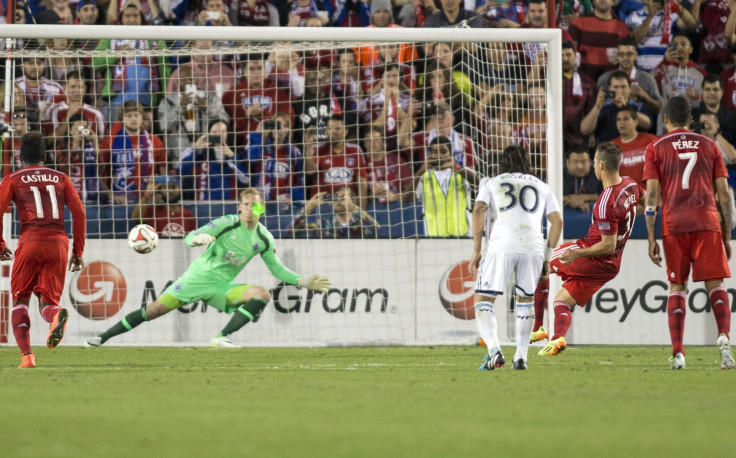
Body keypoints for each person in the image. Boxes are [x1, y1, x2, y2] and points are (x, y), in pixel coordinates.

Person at [85, 188, 330, 348]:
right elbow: (191, 236)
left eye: (256, 206)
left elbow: (277, 269)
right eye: (246, 204)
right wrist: (198, 240)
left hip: (221, 288)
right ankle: (101, 338)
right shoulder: (226, 223)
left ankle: (221, 338)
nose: (251, 209)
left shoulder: (264, 238)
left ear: (261, 209)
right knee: (154, 310)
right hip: (196, 279)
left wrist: (304, 282)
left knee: (262, 294)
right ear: (240, 207)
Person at [643, 96, 735, 370]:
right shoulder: (709, 145)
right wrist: (727, 233)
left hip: (674, 225)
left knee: (677, 286)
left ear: (667, 119)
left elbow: (651, 197)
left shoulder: (655, 147)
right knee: (715, 285)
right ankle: (724, 341)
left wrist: (650, 237)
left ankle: (679, 352)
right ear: (691, 121)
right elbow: (725, 196)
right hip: (707, 222)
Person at [538, 142, 642, 357]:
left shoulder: (606, 201)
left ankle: (537, 327)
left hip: (592, 255)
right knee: (562, 300)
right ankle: (557, 338)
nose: (593, 166)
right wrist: (625, 221)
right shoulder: (631, 185)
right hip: (611, 265)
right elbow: (646, 201)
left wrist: (576, 253)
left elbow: (607, 244)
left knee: (539, 263)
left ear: (602, 165)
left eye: (594, 161)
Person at [469, 145, 563, 371]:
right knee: (525, 301)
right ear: (528, 162)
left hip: (502, 243)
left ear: (502, 162)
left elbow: (479, 209)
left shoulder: (492, 182)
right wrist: (547, 257)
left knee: (482, 300)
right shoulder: (542, 186)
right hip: (532, 246)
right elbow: (557, 221)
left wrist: (476, 249)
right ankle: (521, 358)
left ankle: (494, 351)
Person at [0, 132, 86, 368]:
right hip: (58, 243)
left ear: (20, 155)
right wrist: (78, 252)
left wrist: (0, 245)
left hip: (29, 241)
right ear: (45, 155)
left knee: (20, 300)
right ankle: (56, 315)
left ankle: (27, 357)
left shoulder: (13, 178)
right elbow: (79, 213)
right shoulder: (61, 178)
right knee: (47, 302)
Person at [413, 136, 477, 237]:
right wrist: (420, 170)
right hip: (433, 238)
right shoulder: (424, 177)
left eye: (443, 151)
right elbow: (408, 198)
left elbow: (479, 183)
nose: (439, 155)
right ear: (430, 155)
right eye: (435, 152)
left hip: (464, 236)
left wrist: (456, 166)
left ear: (450, 154)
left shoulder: (461, 172)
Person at [568, 0, 630, 81]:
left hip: (612, 82)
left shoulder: (622, 27)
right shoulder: (578, 22)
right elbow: (571, 52)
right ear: (593, 2)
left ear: (613, 2)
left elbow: (627, 55)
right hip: (584, 81)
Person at [286, 186, 378, 239]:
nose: (338, 200)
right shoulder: (323, 226)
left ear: (353, 202)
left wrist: (354, 207)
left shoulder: (359, 226)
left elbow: (375, 228)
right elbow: (291, 231)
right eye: (336, 197)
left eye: (342, 197)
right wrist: (308, 208)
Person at [131, 176, 197, 238]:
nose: (170, 191)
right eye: (166, 188)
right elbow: (135, 217)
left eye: (173, 187)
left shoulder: (188, 215)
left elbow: (193, 239)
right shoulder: (153, 212)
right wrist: (147, 195)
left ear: (180, 189)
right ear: (160, 190)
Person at [611, 105, 658, 186]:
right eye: (619, 120)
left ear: (635, 122)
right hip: (624, 196)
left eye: (626, 119)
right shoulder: (611, 146)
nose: (621, 122)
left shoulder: (650, 140)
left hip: (648, 194)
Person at [563, 145, 604, 212]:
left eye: (583, 161)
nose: (580, 166)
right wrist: (569, 199)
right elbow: (546, 195)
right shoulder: (557, 176)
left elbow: (609, 196)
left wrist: (585, 197)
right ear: (567, 163)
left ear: (590, 162)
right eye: (575, 162)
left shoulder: (600, 175)